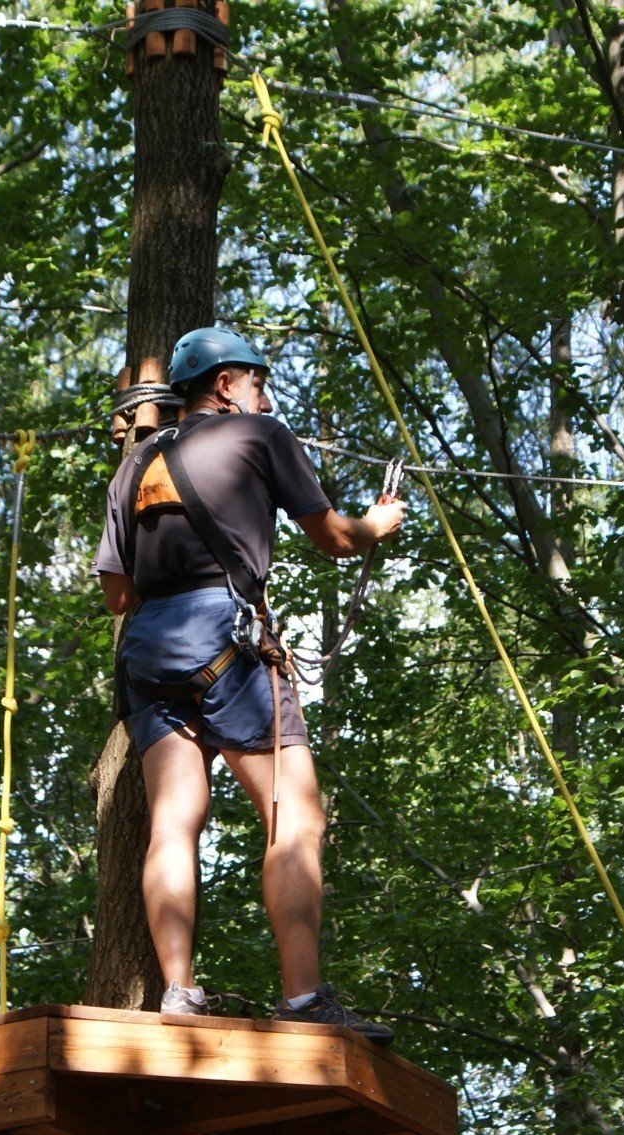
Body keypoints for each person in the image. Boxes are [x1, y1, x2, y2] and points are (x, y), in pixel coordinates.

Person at [94, 328, 405, 1043]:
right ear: (226, 383)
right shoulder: (261, 434)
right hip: (225, 641)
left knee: (175, 819)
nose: (265, 396)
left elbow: (116, 594)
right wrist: (378, 524)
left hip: (148, 652)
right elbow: (333, 538)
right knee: (295, 817)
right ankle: (303, 1000)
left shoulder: (136, 462)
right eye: (258, 382)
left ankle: (177, 990)